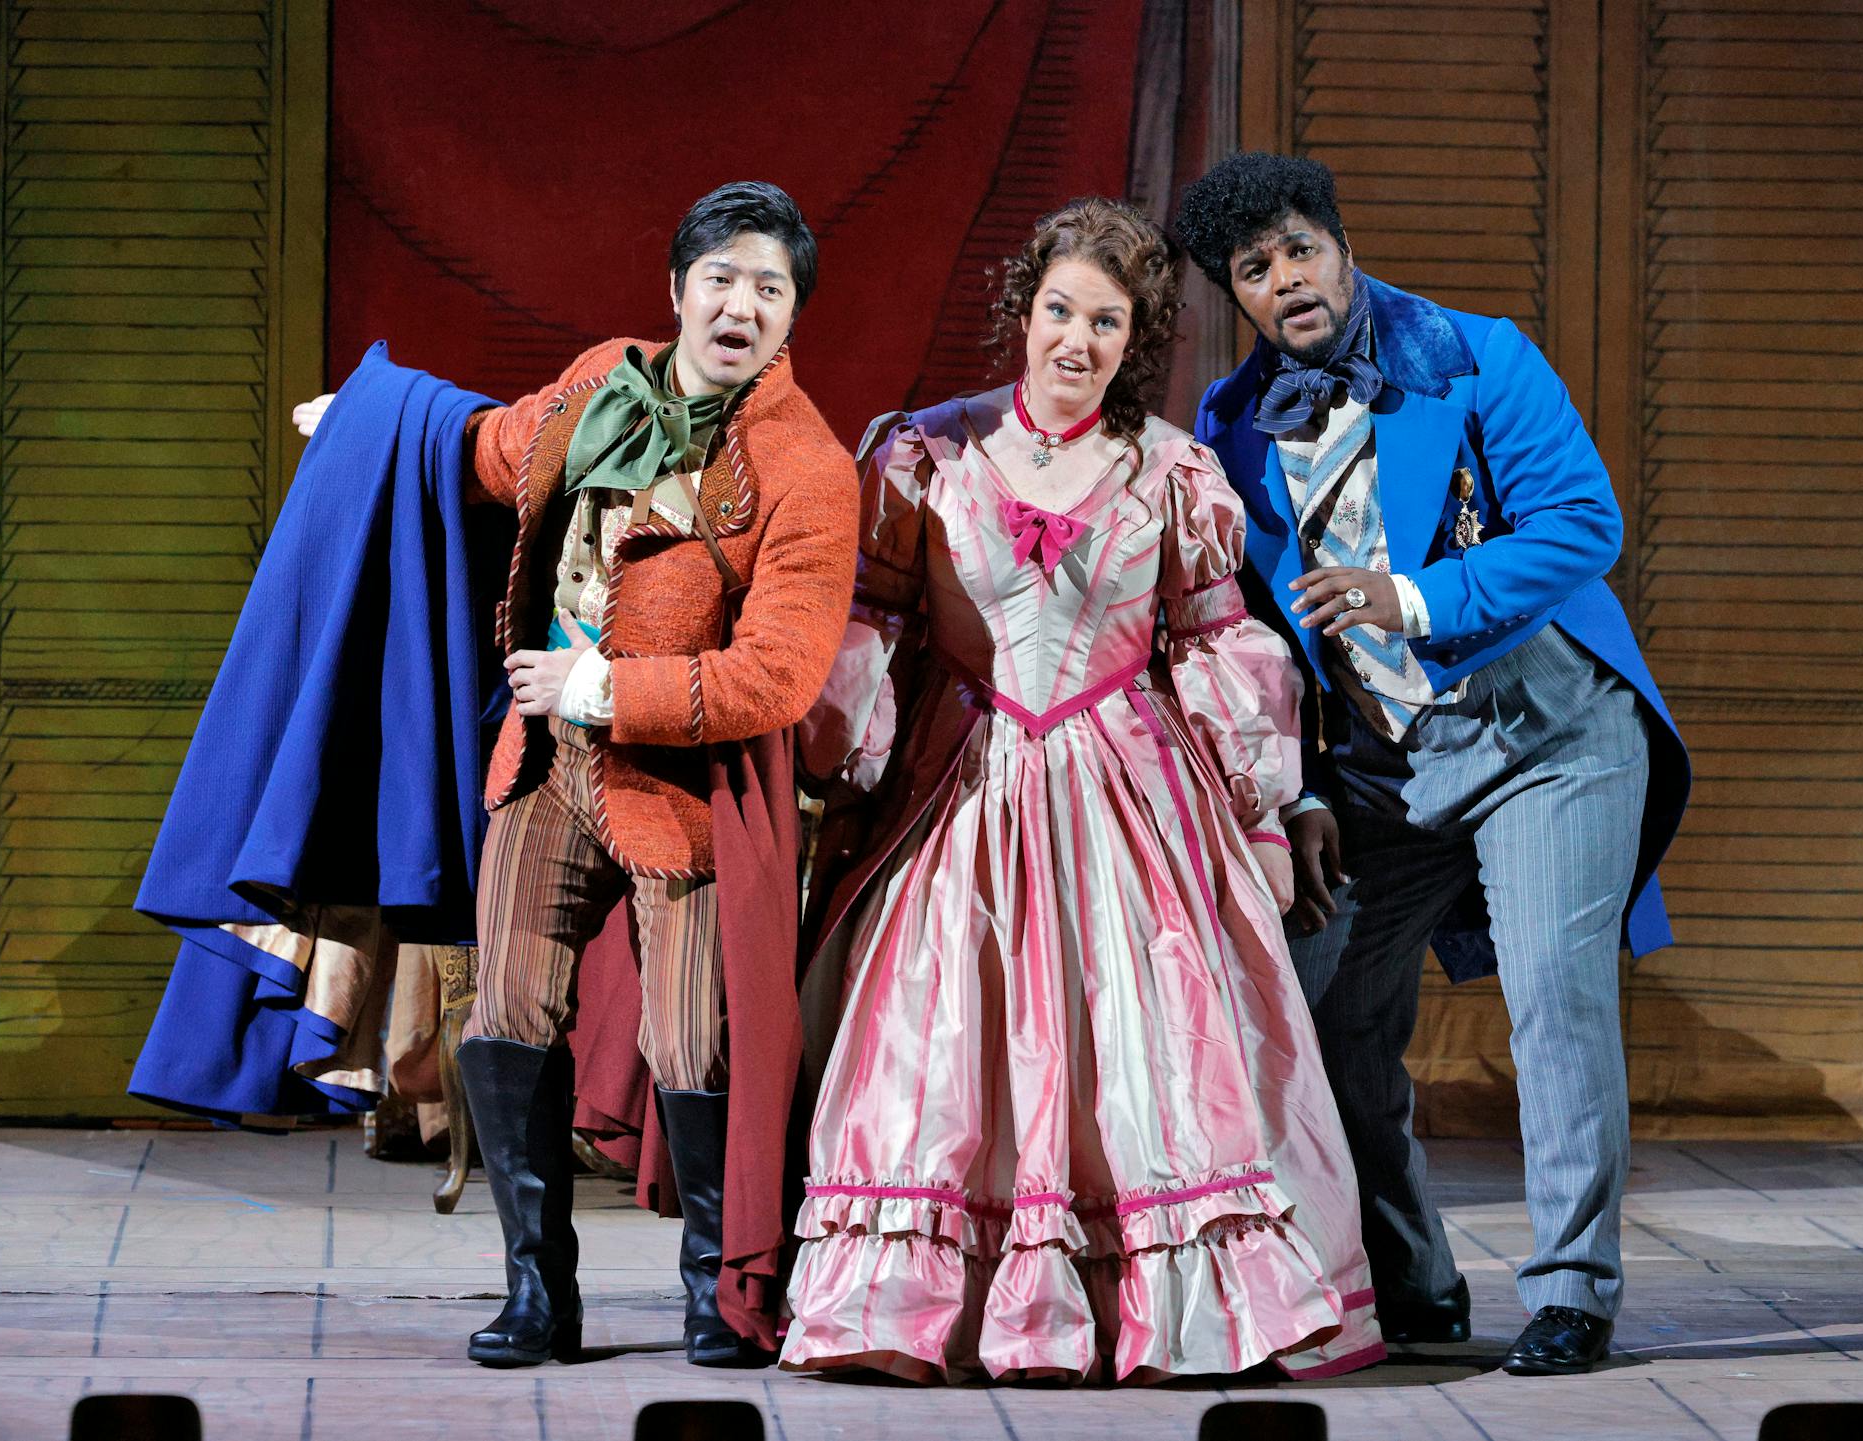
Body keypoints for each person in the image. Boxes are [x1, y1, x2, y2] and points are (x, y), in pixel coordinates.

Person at [782, 198, 1383, 1384]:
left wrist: (1262, 806)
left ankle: (1155, 1311)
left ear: (1133, 338)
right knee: (941, 1040)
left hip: (1128, 793)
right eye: (1060, 309)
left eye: (1107, 322)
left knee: (1153, 1052)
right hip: (969, 784)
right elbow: (875, 628)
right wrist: (838, 770)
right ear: (1024, 312)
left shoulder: (1172, 471)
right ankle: (919, 1310)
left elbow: (1216, 651)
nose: (1077, 339)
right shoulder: (925, 454)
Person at [295, 182, 859, 1368]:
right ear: (676, 290)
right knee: (504, 1012)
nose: (740, 306)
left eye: (769, 288)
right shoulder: (605, 380)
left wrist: (602, 690)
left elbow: (780, 675)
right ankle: (537, 1290)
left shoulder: (805, 466)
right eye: (721, 279)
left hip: (682, 797)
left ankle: (715, 1290)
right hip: (545, 770)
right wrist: (364, 423)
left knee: (691, 1044)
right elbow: (494, 447)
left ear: (794, 313)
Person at [1176, 153, 1689, 1377]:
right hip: (1383, 766)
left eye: (1300, 249)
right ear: (1233, 294)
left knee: (1553, 1000)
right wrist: (1296, 784)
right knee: (1332, 1009)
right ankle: (1411, 1273)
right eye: (1254, 268)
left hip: (1543, 737)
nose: (1285, 279)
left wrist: (1411, 595)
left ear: (1340, 245)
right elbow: (1247, 624)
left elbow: (1583, 523)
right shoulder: (1230, 424)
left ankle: (1572, 1291)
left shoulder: (1478, 356)